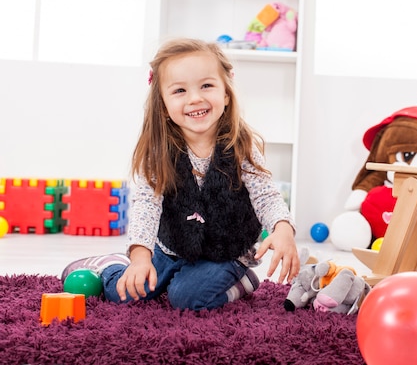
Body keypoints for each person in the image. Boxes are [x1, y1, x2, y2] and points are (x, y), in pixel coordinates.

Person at [61, 38, 300, 311]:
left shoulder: (241, 146)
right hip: (170, 249)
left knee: (187, 299)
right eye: (179, 91)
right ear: (162, 104)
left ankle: (243, 280)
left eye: (206, 85)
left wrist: (283, 228)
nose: (195, 98)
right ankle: (109, 265)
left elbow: (265, 195)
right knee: (124, 294)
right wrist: (140, 257)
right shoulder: (158, 153)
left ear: (226, 93)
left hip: (225, 253)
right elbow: (146, 208)